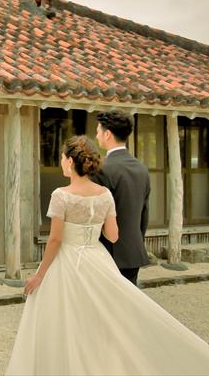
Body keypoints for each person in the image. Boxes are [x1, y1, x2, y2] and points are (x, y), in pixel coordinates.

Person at [6, 136, 209, 375]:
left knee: (64, 320)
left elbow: (56, 239)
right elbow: (113, 236)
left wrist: (39, 275)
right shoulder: (104, 194)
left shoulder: (61, 195)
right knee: (100, 319)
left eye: (61, 157)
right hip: (97, 260)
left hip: (67, 262)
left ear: (70, 162)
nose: (60, 162)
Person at [92, 109, 150, 285]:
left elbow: (95, 215)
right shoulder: (142, 169)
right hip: (134, 251)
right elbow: (144, 215)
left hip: (108, 252)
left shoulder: (102, 169)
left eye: (98, 131)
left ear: (107, 133)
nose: (97, 135)